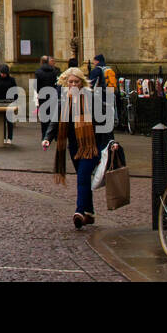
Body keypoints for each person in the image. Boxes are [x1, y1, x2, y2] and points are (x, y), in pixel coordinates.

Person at [50, 67, 106, 228]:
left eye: (76, 81)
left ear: (82, 83)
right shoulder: (64, 101)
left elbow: (106, 122)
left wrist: (110, 142)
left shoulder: (92, 99)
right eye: (71, 82)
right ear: (66, 83)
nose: (73, 84)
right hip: (74, 148)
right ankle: (90, 213)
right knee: (84, 180)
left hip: (91, 146)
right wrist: (47, 138)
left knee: (82, 178)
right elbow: (55, 121)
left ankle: (80, 211)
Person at [35, 55, 60, 143]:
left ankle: (44, 136)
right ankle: (55, 135)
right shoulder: (54, 71)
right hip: (53, 95)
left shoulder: (38, 72)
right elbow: (56, 84)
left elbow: (36, 85)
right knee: (53, 116)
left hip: (43, 96)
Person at [0, 63, 17, 145]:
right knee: (1, 121)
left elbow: (15, 91)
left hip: (9, 102)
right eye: (1, 73)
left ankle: (9, 138)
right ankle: (2, 137)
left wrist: (14, 101)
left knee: (9, 121)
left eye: (4, 73)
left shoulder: (12, 80)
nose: (2, 75)